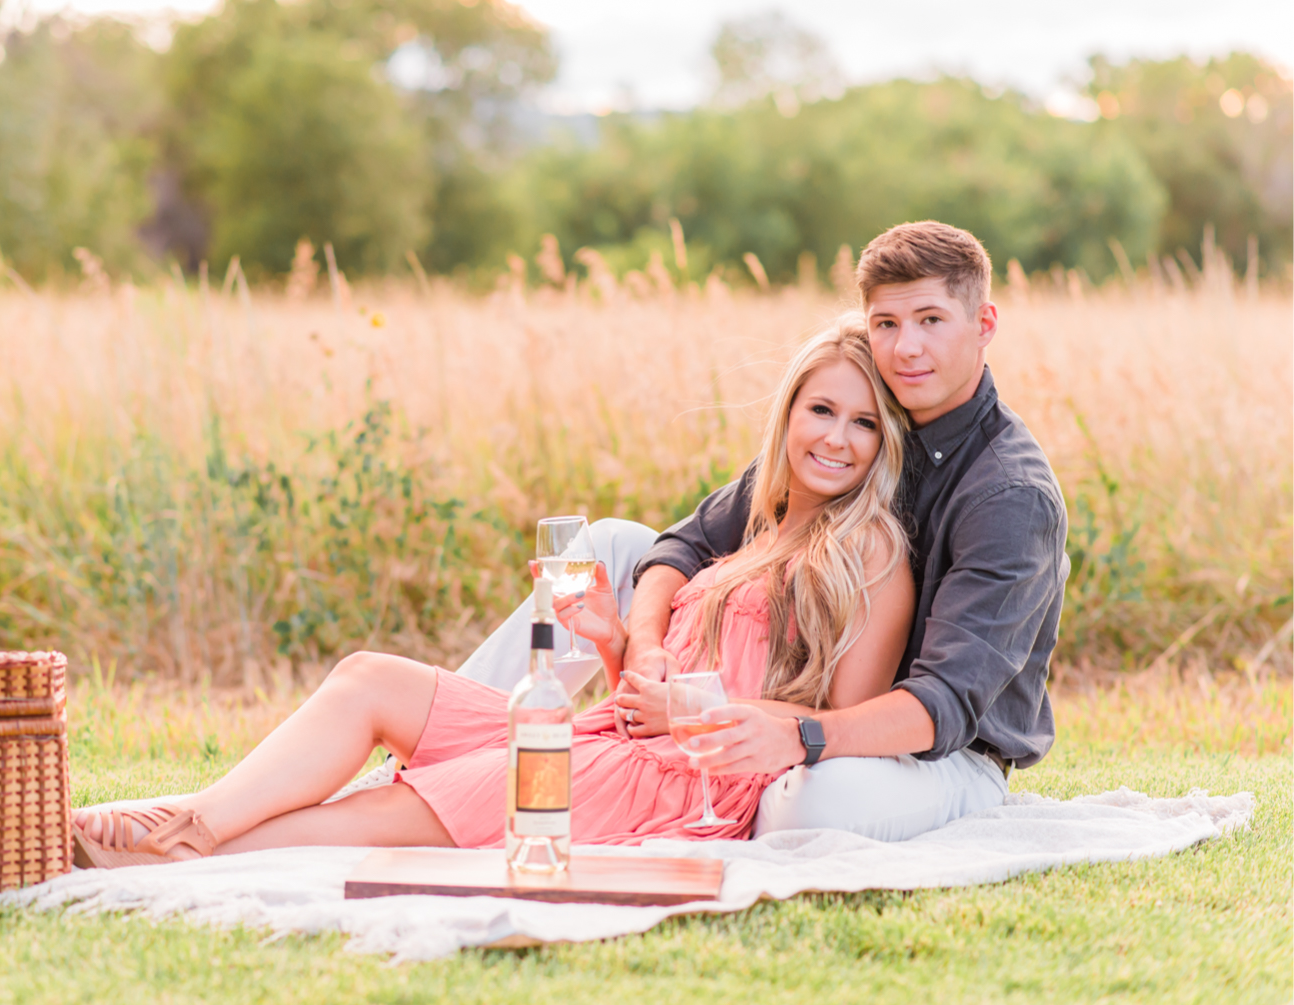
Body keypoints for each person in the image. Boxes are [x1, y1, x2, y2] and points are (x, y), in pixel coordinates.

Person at [71, 319, 915, 866]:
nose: (837, 439)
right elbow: (637, 702)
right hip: (613, 738)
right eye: (822, 411)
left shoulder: (869, 547)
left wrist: (695, 719)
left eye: (864, 423)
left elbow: (836, 727)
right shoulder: (756, 529)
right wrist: (613, 639)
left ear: (884, 445)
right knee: (370, 678)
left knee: (394, 813)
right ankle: (198, 817)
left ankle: (184, 841)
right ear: (787, 416)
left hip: (683, 785)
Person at [619, 220, 1068, 842]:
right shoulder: (855, 420)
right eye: (886, 324)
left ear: (984, 325)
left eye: (931, 320)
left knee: (810, 803)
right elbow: (687, 542)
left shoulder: (1009, 496)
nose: (906, 347)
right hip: (803, 710)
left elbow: (942, 705)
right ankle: (517, 725)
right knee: (612, 544)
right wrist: (645, 644)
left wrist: (799, 736)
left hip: (936, 754)